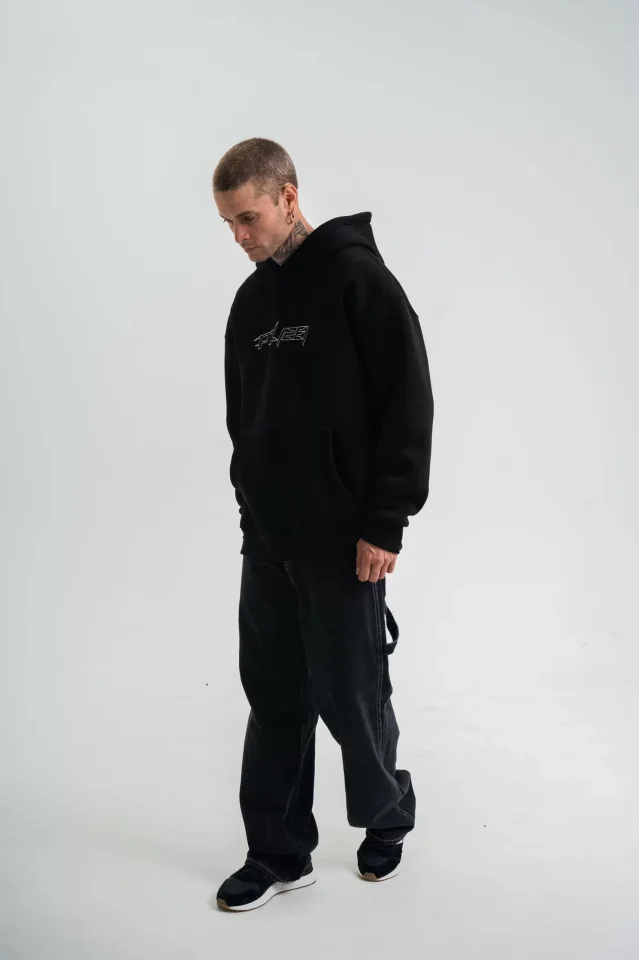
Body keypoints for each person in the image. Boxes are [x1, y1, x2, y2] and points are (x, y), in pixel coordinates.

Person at [212, 138, 434, 912]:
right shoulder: (250, 304)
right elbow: (244, 418)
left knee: (351, 694)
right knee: (273, 697)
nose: (238, 236)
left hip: (344, 541)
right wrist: (250, 503)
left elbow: (407, 403)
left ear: (288, 197)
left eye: (248, 217)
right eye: (227, 223)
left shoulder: (357, 280)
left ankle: (387, 814)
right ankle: (277, 853)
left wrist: (385, 523)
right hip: (268, 540)